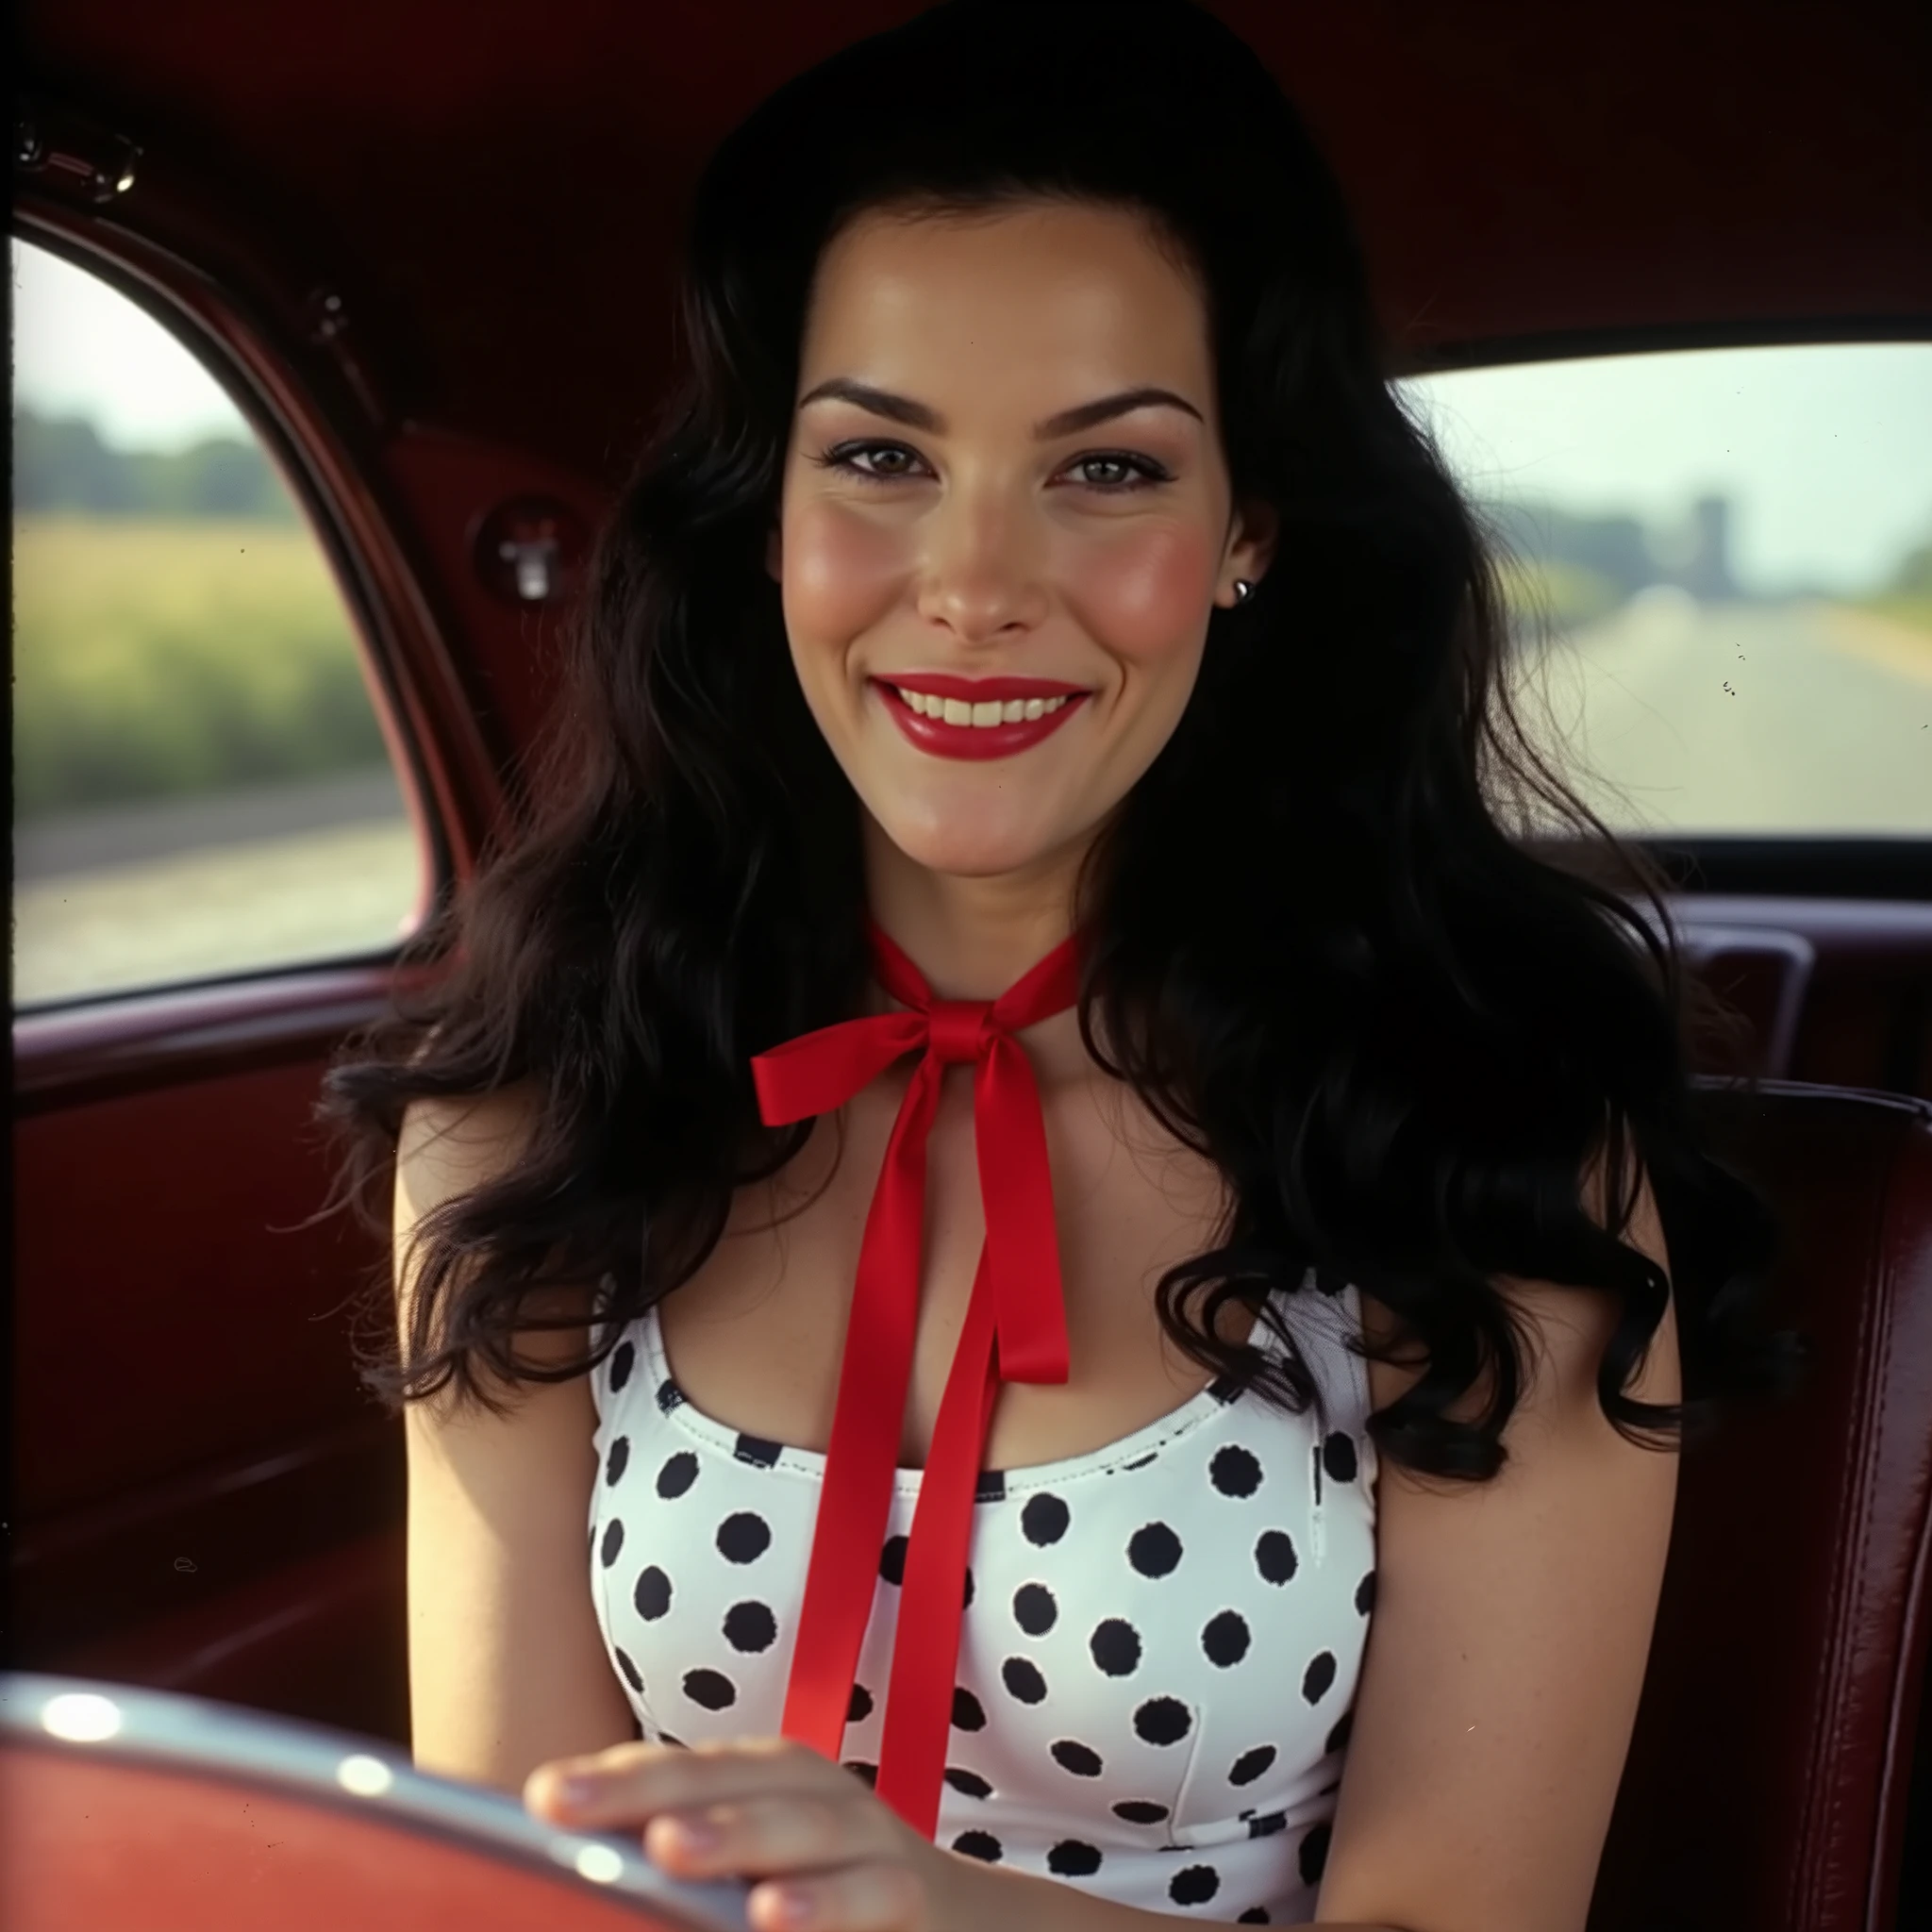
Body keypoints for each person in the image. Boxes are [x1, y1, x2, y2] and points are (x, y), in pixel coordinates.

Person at [327, 2, 1799, 1925]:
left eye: (1104, 472)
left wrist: (944, 1915)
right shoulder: (530, 1132)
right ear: (764, 520)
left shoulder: (1492, 1150)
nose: (973, 582)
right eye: (877, 455)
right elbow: (505, 1887)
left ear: (1246, 530)